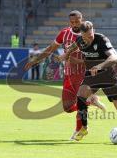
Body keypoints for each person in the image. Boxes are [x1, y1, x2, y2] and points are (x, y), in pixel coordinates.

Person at [24, 10, 106, 140]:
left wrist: (82, 63)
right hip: (68, 74)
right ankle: (91, 101)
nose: (74, 24)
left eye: (77, 22)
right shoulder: (64, 33)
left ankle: (79, 129)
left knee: (80, 101)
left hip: (83, 74)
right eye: (72, 22)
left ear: (82, 19)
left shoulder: (90, 35)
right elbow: (50, 49)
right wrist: (36, 60)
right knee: (67, 107)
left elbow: (96, 58)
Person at [65, 21, 117, 142]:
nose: (90, 37)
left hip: (107, 76)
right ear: (82, 35)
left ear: (93, 30)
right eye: (87, 36)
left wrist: (100, 66)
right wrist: (67, 53)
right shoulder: (80, 40)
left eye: (91, 34)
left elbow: (115, 58)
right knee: (80, 97)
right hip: (91, 76)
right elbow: (74, 46)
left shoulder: (101, 39)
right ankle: (84, 128)